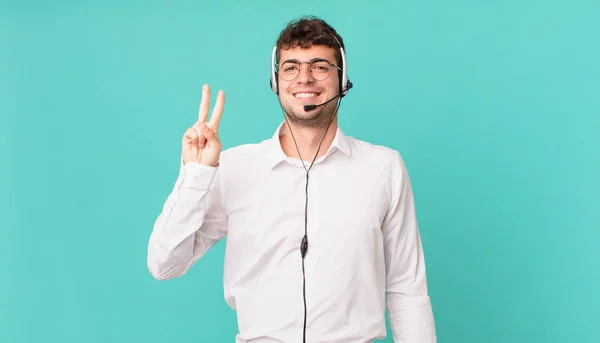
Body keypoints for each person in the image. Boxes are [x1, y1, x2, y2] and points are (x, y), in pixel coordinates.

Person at [147, 16, 437, 343]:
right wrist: (196, 176)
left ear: (342, 79)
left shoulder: (384, 168)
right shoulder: (233, 167)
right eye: (290, 68)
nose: (304, 78)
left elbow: (407, 289)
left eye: (319, 67)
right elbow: (164, 264)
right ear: (275, 81)